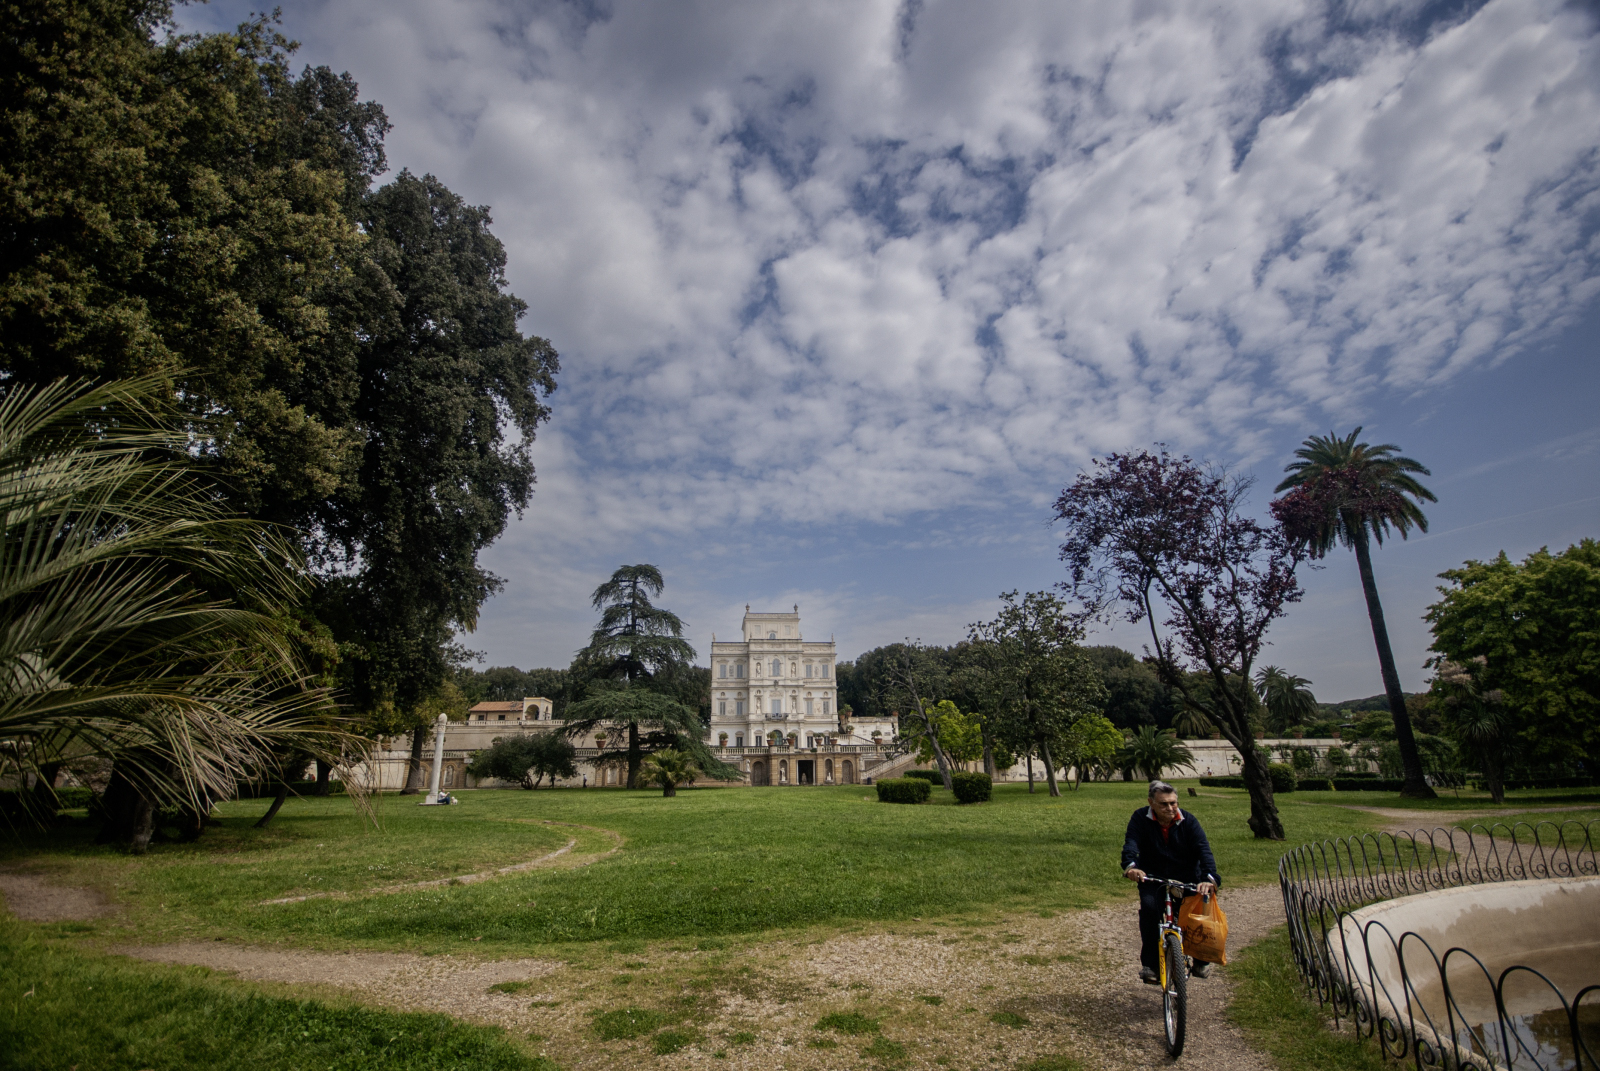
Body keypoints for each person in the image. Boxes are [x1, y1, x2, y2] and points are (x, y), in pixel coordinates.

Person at [1121, 780, 1220, 985]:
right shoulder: (1140, 818)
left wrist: (1209, 878)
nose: (1170, 808)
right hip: (1152, 876)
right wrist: (1131, 867)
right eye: (1164, 804)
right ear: (1151, 803)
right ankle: (1151, 965)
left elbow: (1203, 850)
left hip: (1186, 876)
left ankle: (1201, 959)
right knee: (1149, 910)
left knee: (1198, 912)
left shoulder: (1189, 821)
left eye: (1173, 803)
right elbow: (1131, 843)